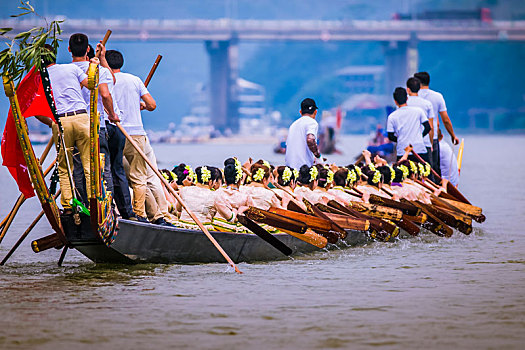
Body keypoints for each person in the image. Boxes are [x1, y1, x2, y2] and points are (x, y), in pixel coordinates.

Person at [106, 49, 161, 224]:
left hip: (114, 132)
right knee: (139, 178)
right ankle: (140, 214)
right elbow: (152, 105)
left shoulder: (104, 81)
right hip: (136, 133)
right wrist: (141, 105)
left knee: (113, 173)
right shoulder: (134, 80)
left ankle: (113, 211)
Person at [45, 44, 98, 213]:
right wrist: (94, 66)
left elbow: (38, 110)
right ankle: (94, 201)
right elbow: (90, 84)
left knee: (64, 167)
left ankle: (68, 205)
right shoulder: (71, 68)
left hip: (60, 122)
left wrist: (52, 123)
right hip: (82, 117)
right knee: (89, 163)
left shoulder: (41, 77)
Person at [69, 34, 120, 208]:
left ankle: (84, 206)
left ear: (69, 50)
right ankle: (107, 206)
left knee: (78, 168)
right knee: (102, 167)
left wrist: (102, 58)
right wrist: (112, 114)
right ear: (88, 50)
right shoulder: (99, 70)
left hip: (74, 124)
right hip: (96, 124)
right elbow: (107, 91)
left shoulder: (65, 71)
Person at [414, 71, 460, 177]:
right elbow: (445, 120)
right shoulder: (437, 96)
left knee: (414, 168)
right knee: (433, 169)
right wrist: (453, 135)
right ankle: (436, 190)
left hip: (415, 138)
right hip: (432, 137)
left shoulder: (410, 98)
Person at [386, 87, 431, 163]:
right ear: (407, 98)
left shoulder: (392, 116)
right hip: (419, 149)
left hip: (402, 150)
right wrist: (419, 136)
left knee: (403, 174)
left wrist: (401, 140)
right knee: (424, 173)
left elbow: (390, 136)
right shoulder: (418, 111)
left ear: (395, 101)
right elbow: (427, 127)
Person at [285, 98, 322, 169]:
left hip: (289, 168)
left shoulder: (293, 125)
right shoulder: (312, 122)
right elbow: (310, 140)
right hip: (303, 170)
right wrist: (318, 156)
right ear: (315, 112)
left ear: (300, 112)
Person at [406, 77, 434, 162]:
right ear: (419, 88)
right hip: (424, 143)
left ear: (408, 89)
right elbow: (431, 127)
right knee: (426, 173)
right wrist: (431, 143)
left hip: (407, 145)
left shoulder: (404, 104)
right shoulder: (427, 104)